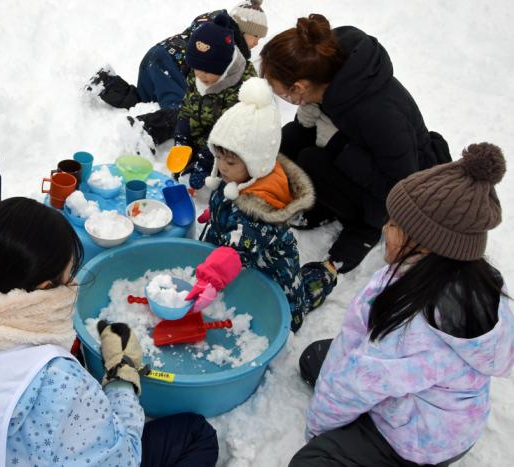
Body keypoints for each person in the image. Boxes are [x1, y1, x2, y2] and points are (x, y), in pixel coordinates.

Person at [0, 197, 219, 466]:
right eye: (71, 274)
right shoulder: (56, 384)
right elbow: (124, 459)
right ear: (44, 286)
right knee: (196, 435)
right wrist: (121, 376)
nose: (73, 283)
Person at [290, 143, 512, 466]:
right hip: (449, 417)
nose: (384, 229)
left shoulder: (409, 325)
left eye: (394, 225)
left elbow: (358, 381)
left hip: (415, 442)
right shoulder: (478, 278)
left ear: (424, 246)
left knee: (311, 460)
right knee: (316, 359)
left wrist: (320, 430)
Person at [259, 14, 452, 273]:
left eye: (281, 93)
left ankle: (363, 228)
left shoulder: (380, 114)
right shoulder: (325, 74)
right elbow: (300, 135)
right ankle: (325, 204)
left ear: (298, 87)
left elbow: (401, 188)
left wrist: (338, 144)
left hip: (401, 190)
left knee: (311, 160)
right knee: (292, 142)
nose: (281, 98)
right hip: (364, 153)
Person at [199, 78, 337, 331]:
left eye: (230, 162)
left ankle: (324, 274)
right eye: (218, 157)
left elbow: (237, 250)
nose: (221, 167)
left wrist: (210, 281)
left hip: (273, 271)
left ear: (256, 164)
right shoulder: (234, 178)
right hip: (234, 251)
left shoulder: (259, 209)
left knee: (293, 308)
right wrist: (216, 214)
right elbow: (230, 213)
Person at [88, 1, 267, 146]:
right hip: (171, 66)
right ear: (242, 30)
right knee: (179, 112)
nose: (257, 43)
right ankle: (145, 131)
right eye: (256, 37)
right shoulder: (226, 43)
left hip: (157, 54)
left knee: (145, 98)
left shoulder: (210, 22)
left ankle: (106, 83)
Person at [175, 13, 258, 189]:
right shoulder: (197, 75)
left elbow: (228, 132)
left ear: (226, 67)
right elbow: (187, 105)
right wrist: (182, 134)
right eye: (196, 68)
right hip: (202, 132)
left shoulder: (241, 89)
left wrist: (206, 160)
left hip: (227, 146)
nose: (200, 75)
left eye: (208, 70)